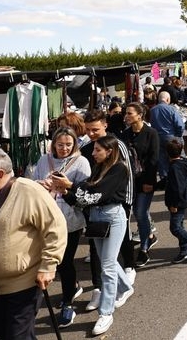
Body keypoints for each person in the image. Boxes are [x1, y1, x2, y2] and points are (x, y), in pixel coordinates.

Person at [53, 135, 134, 336]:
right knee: (108, 261)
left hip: (113, 216)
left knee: (106, 265)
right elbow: (85, 196)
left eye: (98, 150)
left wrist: (70, 187)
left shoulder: (119, 169)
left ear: (109, 151)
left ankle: (106, 312)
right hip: (96, 218)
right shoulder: (99, 167)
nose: (93, 153)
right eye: (94, 149)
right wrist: (64, 191)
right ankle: (125, 287)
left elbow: (97, 194)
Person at [0, 148, 67, 340]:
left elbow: (55, 227)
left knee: (16, 337)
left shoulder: (27, 190)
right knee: (4, 334)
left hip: (23, 283)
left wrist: (49, 265)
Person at [32, 127, 91, 328]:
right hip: (45, 218)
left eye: (68, 144)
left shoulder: (81, 162)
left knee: (64, 262)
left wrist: (67, 186)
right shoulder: (43, 160)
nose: (64, 148)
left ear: (74, 144)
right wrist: (42, 185)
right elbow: (32, 185)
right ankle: (71, 288)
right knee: (45, 261)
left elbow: (85, 194)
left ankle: (68, 303)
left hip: (70, 220)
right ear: (53, 144)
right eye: (60, 144)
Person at [80, 109, 135, 311]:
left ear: (105, 124)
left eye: (94, 129)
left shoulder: (117, 145)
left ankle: (107, 308)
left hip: (116, 206)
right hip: (94, 208)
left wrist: (128, 203)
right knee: (100, 254)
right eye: (87, 130)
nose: (91, 133)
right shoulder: (86, 147)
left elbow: (126, 175)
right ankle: (99, 288)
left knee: (111, 257)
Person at [120, 102, 160, 267]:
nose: (127, 116)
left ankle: (144, 248)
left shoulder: (151, 133)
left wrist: (149, 182)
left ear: (139, 115)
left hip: (145, 180)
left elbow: (153, 159)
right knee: (134, 213)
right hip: (129, 182)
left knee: (141, 212)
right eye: (126, 113)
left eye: (130, 113)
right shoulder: (125, 134)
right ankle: (149, 236)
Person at [149, 91, 185, 182]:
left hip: (158, 138)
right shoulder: (171, 109)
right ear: (168, 99)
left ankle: (165, 180)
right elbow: (180, 125)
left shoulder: (152, 110)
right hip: (171, 136)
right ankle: (182, 179)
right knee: (178, 159)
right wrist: (178, 136)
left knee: (162, 160)